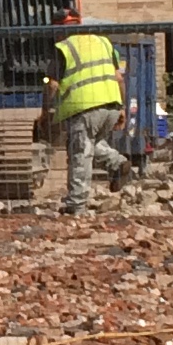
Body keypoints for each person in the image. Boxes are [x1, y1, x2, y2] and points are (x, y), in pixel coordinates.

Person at [42, 27, 130, 212]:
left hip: (85, 108)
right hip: (111, 106)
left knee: (79, 154)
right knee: (87, 143)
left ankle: (76, 205)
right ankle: (118, 162)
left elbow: (52, 85)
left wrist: (46, 111)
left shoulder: (64, 47)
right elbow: (119, 78)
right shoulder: (103, 42)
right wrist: (122, 108)